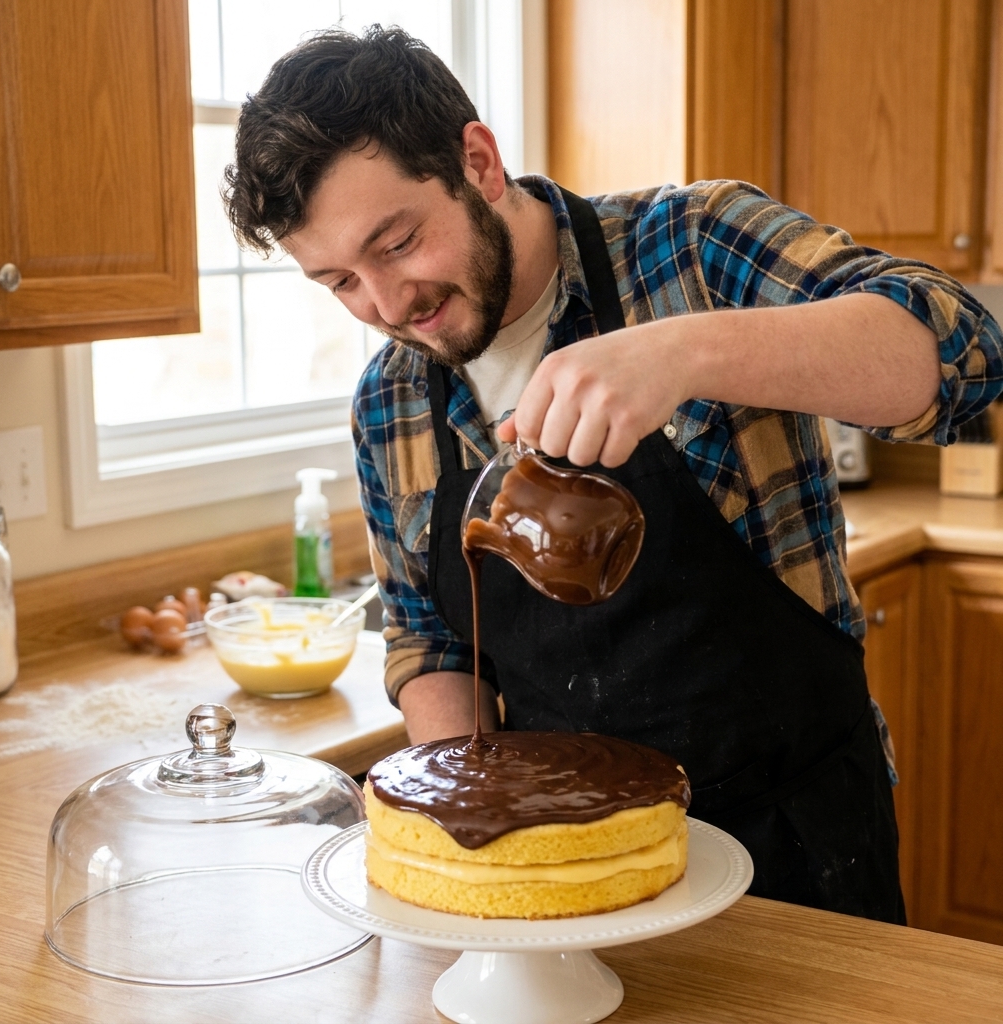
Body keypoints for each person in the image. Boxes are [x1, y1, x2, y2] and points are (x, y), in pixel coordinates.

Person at [223, 26, 1003, 924]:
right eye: (340, 283)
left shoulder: (692, 248)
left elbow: (959, 349)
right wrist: (463, 823)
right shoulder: (389, 402)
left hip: (798, 855)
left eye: (397, 243)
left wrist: (686, 352)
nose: (388, 306)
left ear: (477, 160)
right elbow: (433, 641)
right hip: (560, 888)